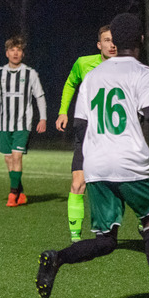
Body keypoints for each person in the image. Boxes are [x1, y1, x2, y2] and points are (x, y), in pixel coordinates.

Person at [35, 13, 149, 298]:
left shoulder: (92, 77)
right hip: (129, 161)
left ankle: (58, 258)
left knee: (106, 241)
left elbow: (81, 127)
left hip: (97, 164)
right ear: (140, 40)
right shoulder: (144, 73)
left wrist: (80, 166)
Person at [56, 25, 117, 241]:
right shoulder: (83, 63)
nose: (112, 44)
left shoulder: (127, 67)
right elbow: (70, 83)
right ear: (99, 45)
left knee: (122, 183)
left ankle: (144, 222)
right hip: (87, 131)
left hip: (114, 135)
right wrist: (63, 111)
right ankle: (75, 237)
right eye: (107, 40)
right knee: (77, 182)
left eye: (114, 40)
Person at [0, 35, 48, 206]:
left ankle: (12, 195)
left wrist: (43, 118)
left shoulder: (30, 73)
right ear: (7, 53)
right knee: (8, 159)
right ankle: (20, 192)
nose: (16, 53)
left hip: (23, 123)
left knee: (17, 156)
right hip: (5, 124)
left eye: (19, 50)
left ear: (23, 54)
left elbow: (39, 95)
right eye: (12, 50)